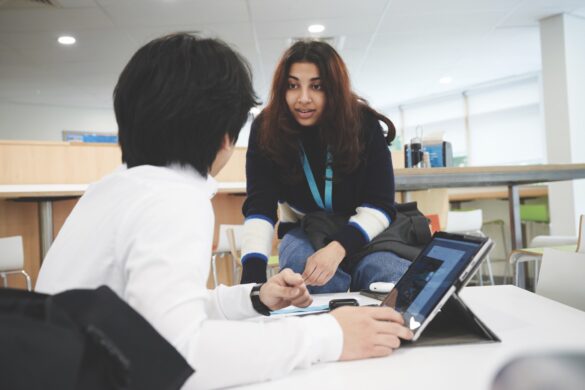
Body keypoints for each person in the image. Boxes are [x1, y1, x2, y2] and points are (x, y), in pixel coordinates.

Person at [35, 33, 413, 389]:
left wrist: (252, 297)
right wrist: (329, 335)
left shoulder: (111, 188)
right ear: (224, 136)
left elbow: (152, 316)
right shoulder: (175, 201)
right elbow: (178, 355)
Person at [240, 40, 411, 292]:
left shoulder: (362, 122)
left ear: (334, 89)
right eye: (292, 85)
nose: (304, 99)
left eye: (317, 86)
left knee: (390, 278)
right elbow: (260, 207)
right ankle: (329, 330)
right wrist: (252, 279)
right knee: (305, 270)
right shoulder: (266, 127)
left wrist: (337, 249)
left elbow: (381, 203)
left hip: (366, 229)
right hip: (304, 228)